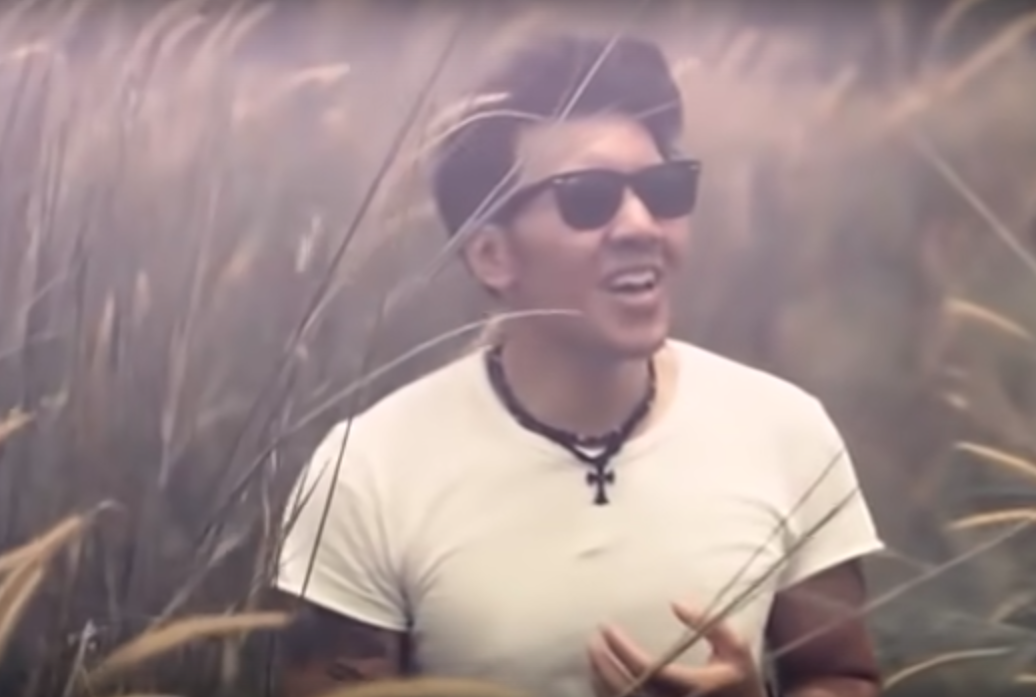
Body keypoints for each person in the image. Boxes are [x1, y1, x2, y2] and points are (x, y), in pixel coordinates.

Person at [271, 30, 885, 697]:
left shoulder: (784, 430)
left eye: (662, 188)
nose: (640, 226)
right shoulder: (368, 469)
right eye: (587, 198)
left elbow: (840, 674)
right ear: (492, 255)